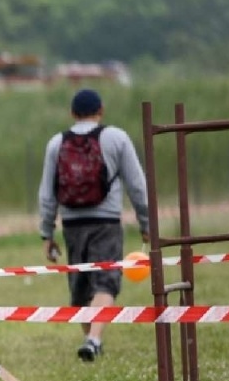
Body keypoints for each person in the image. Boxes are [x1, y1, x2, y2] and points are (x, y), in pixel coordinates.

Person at [38, 88, 151, 362]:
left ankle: (90, 339)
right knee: (105, 283)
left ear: (72, 114)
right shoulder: (116, 138)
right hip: (106, 222)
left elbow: (47, 193)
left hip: (73, 224)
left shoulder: (56, 143)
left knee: (80, 288)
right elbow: (137, 186)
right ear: (101, 110)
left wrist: (47, 233)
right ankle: (94, 339)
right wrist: (146, 222)